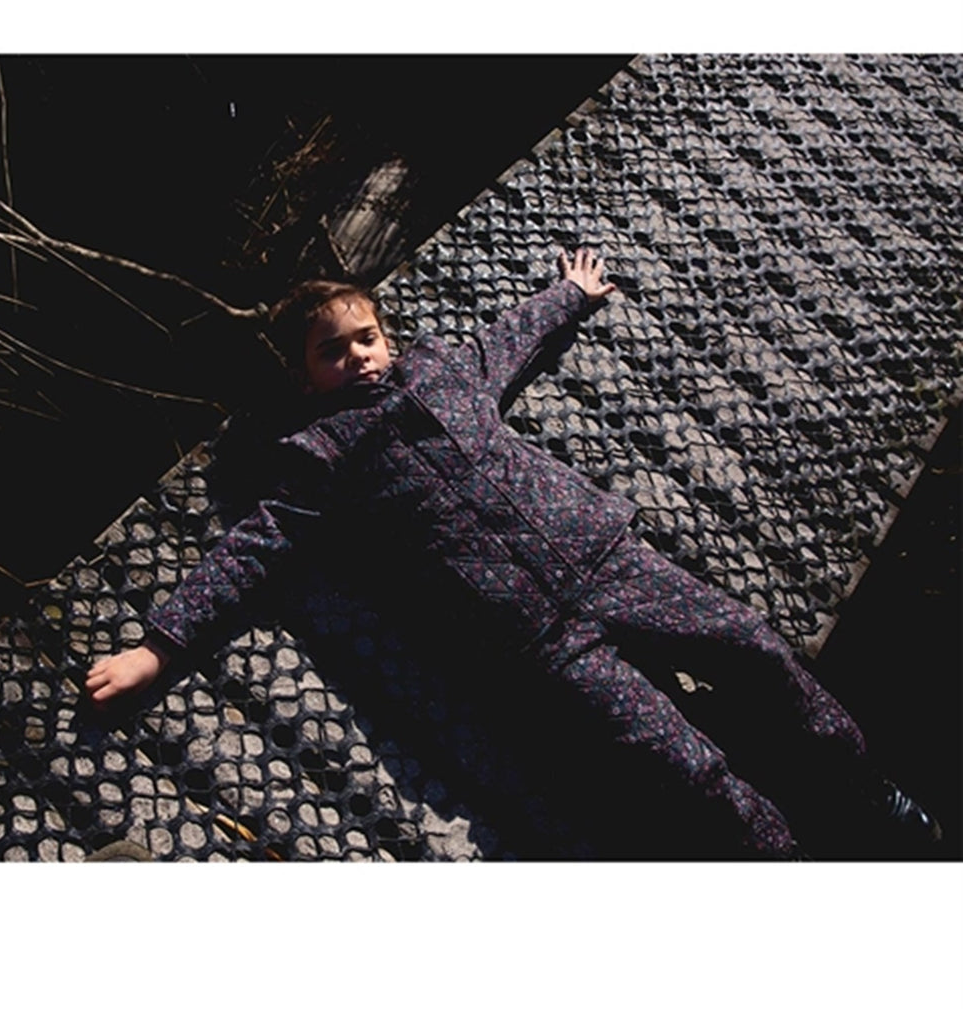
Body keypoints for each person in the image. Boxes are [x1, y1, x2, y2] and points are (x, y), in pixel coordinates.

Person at [85, 249, 940, 858]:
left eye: (365, 337)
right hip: (535, 638)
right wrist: (157, 651)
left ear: (388, 338)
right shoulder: (319, 460)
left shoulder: (444, 374)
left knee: (754, 648)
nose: (356, 357)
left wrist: (569, 293)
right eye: (331, 352)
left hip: (607, 559)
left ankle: (862, 788)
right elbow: (251, 554)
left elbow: (510, 340)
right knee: (685, 766)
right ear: (307, 377)